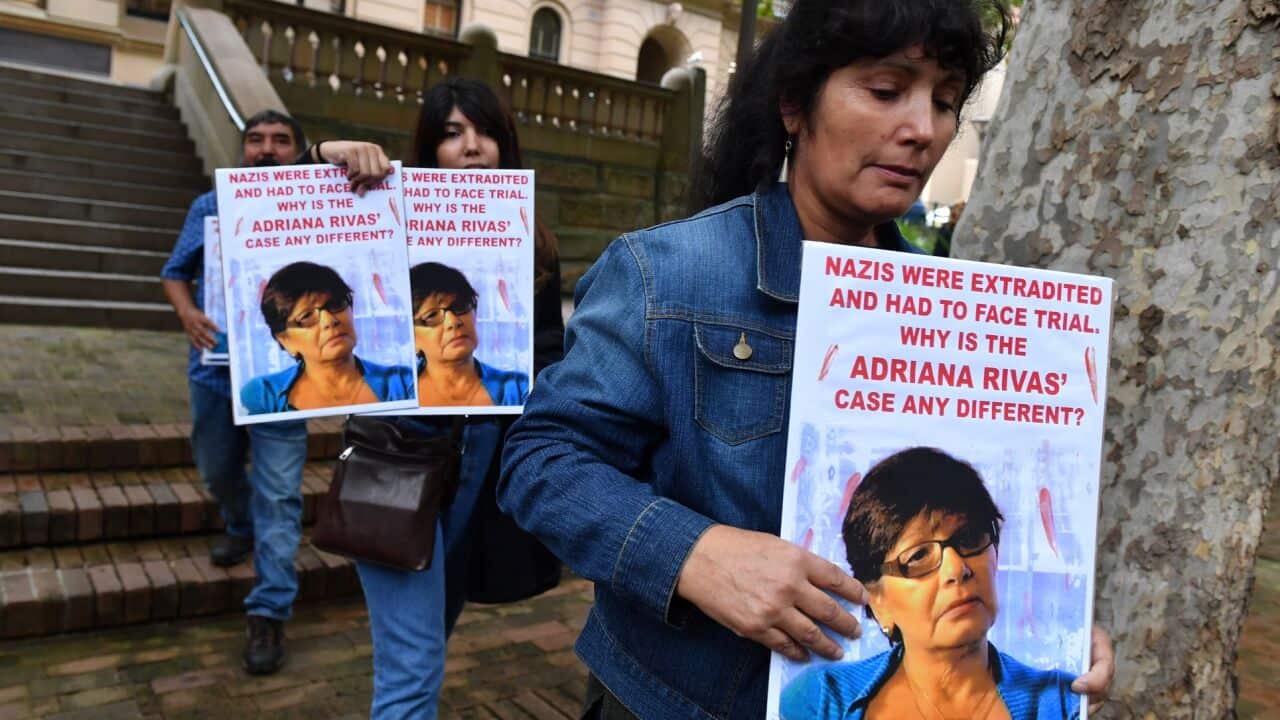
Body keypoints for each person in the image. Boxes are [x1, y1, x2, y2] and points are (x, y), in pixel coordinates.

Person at [498, 2, 1115, 718]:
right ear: (795, 104)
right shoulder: (667, 275)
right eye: (887, 91)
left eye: (945, 102)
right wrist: (693, 554)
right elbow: (541, 459)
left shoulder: (956, 313)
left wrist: (1054, 638)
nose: (922, 129)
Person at [354, 78, 564, 719]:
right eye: (451, 133)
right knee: (414, 673)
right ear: (428, 148)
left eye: (485, 132)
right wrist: (325, 155)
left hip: (478, 461)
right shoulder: (385, 214)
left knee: (423, 647)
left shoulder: (533, 240)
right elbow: (292, 222)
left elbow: (548, 354)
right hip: (394, 461)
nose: (472, 147)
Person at [161, 109, 392, 674]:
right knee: (216, 470)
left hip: (283, 390)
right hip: (214, 373)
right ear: (242, 150)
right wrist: (188, 312)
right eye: (256, 140)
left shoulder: (325, 206)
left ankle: (269, 611)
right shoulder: (210, 206)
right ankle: (238, 524)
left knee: (281, 494)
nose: (267, 149)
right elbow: (174, 272)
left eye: (281, 141)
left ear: (299, 151)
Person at [780, 447, 1079, 720]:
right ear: (876, 599)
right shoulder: (819, 700)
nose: (957, 568)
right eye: (918, 556)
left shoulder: (1065, 702)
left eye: (970, 538)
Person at [240, 261, 416, 414]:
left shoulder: (404, 383)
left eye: (336, 304)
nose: (329, 320)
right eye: (306, 316)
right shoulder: (265, 395)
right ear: (285, 340)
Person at [409, 261, 529, 407]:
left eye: (460, 306)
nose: (453, 321)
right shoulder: (394, 393)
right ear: (410, 334)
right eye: (432, 315)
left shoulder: (517, 388)